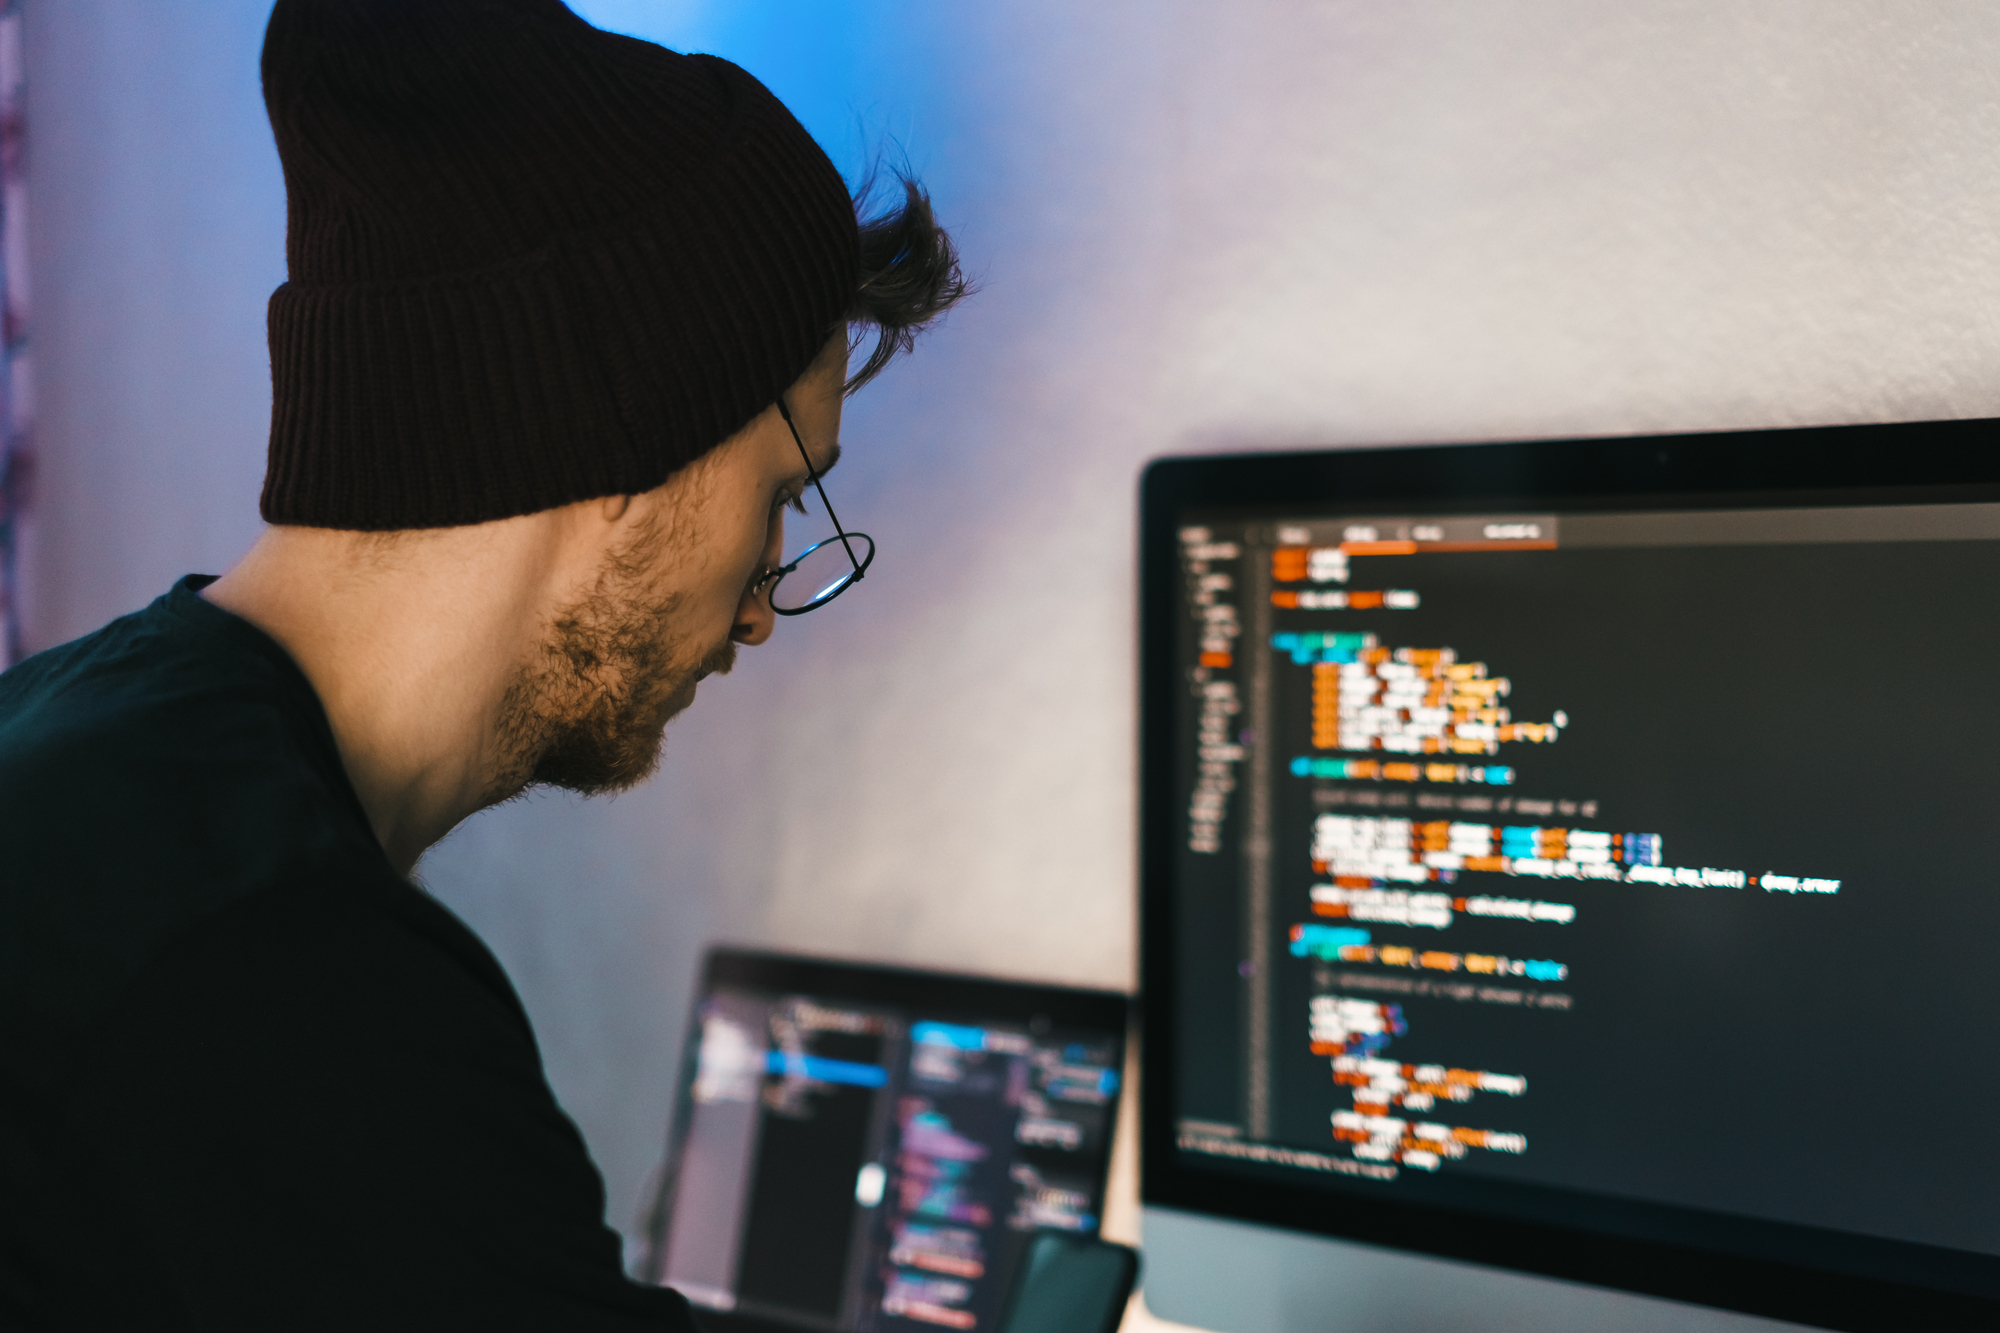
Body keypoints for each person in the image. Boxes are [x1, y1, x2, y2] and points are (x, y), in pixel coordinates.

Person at [0, 1, 966, 1327]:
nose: (758, 611)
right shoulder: (274, 968)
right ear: (634, 437)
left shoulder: (82, 744)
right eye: (781, 495)